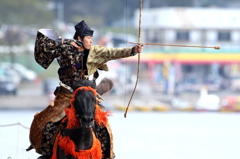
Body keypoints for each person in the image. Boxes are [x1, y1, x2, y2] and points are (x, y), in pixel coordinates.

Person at [27, 20, 143, 159]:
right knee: (48, 123)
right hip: (67, 95)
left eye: (91, 38)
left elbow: (113, 52)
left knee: (103, 125)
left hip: (88, 95)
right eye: (88, 38)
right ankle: (47, 153)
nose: (91, 41)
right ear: (79, 38)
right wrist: (66, 41)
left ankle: (108, 155)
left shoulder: (95, 51)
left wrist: (133, 50)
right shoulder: (64, 48)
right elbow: (43, 39)